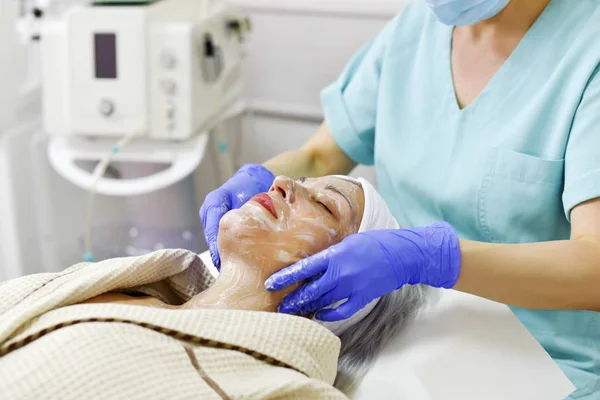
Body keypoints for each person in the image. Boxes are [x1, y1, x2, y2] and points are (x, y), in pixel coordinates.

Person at [200, 0, 600, 397]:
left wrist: (431, 259)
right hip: (398, 345)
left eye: (326, 205)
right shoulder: (418, 28)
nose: (285, 186)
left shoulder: (587, 51)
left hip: (546, 366)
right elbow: (321, 156)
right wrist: (263, 174)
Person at [0, 175, 427, 399]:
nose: (281, 181)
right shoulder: (127, 287)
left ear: (340, 287)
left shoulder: (274, 390)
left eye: (323, 204)